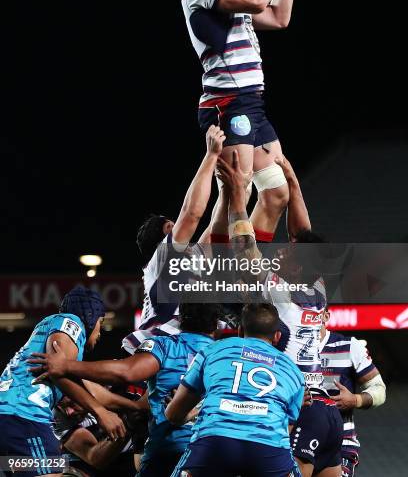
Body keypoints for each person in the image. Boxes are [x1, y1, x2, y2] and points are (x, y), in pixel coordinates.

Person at [215, 154, 344, 476]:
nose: (283, 248)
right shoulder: (318, 289)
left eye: (288, 251)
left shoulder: (280, 294)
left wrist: (235, 195)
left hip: (296, 406)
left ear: (298, 263)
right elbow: (304, 234)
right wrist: (293, 182)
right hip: (325, 413)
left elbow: (244, 248)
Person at [182, 0, 302, 244]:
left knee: (277, 193)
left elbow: (279, 17)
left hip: (252, 104)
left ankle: (244, 271)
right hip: (228, 104)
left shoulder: (231, 0)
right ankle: (203, 277)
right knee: (236, 194)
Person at [28, 303, 221, 477]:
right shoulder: (225, 355)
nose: (68, 410)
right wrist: (128, 422)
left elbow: (124, 373)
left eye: (69, 398)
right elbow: (96, 458)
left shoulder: (131, 375)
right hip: (207, 452)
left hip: (165, 453)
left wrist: (66, 366)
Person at [166, 303, 304, 476]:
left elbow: (173, 414)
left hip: (213, 443)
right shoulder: (294, 371)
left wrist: (189, 415)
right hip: (268, 451)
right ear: (277, 336)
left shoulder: (212, 350)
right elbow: (286, 428)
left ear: (240, 330)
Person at [0, 286, 125, 477]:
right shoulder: (71, 322)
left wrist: (134, 407)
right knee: (53, 469)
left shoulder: (47, 328)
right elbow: (58, 371)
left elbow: (92, 391)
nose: (100, 332)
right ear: (91, 316)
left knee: (54, 466)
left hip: (9, 420)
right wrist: (101, 412)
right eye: (101, 322)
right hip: (24, 416)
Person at [128, 124, 225, 348]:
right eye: (172, 226)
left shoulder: (189, 260)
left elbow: (216, 226)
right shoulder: (161, 259)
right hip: (162, 351)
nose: (181, 231)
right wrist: (211, 155)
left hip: (188, 348)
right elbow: (191, 214)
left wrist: (233, 185)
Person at [320, 308, 386, 476]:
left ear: (326, 316)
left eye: (312, 312)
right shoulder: (286, 348)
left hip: (340, 444)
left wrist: (356, 400)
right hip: (296, 442)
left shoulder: (349, 346)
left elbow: (379, 389)